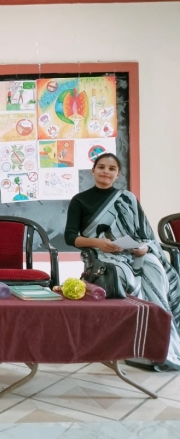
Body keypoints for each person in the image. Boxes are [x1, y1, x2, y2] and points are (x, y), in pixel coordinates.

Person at [64, 152, 180, 370]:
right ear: (93, 171)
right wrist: (98, 243)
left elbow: (145, 236)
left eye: (112, 169)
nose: (106, 172)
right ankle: (134, 344)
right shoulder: (79, 200)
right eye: (101, 167)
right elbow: (70, 237)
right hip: (102, 255)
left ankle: (164, 345)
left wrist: (143, 249)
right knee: (123, 273)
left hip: (133, 253)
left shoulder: (128, 199)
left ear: (118, 174)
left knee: (155, 268)